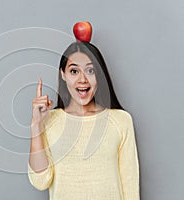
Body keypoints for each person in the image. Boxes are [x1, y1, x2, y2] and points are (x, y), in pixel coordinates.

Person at [28, 41, 140, 200]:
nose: (82, 79)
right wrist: (36, 126)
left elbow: (130, 186)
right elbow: (40, 181)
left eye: (90, 70)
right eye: (74, 71)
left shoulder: (120, 120)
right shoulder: (49, 121)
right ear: (63, 74)